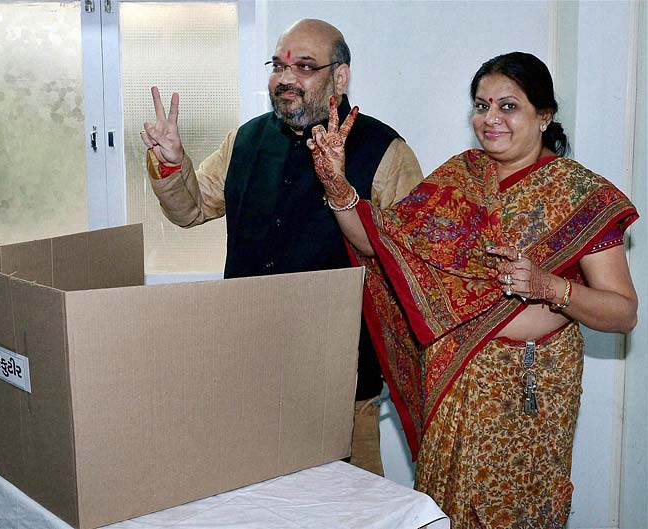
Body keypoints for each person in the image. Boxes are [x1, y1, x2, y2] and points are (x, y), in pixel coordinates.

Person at [308, 52, 638, 527]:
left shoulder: (581, 195)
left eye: (508, 106)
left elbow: (623, 312)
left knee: (513, 512)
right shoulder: (458, 178)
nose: (490, 119)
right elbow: (382, 245)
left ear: (543, 116)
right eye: (481, 106)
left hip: (530, 394)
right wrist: (338, 185)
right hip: (453, 384)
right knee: (446, 507)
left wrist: (548, 285)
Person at [139, 18, 423, 475]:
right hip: (247, 369)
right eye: (278, 66)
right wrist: (172, 165)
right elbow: (191, 209)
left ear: (341, 76)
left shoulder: (386, 153)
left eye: (304, 67)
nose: (285, 79)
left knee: (349, 512)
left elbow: (414, 268)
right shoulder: (246, 140)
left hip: (341, 385)